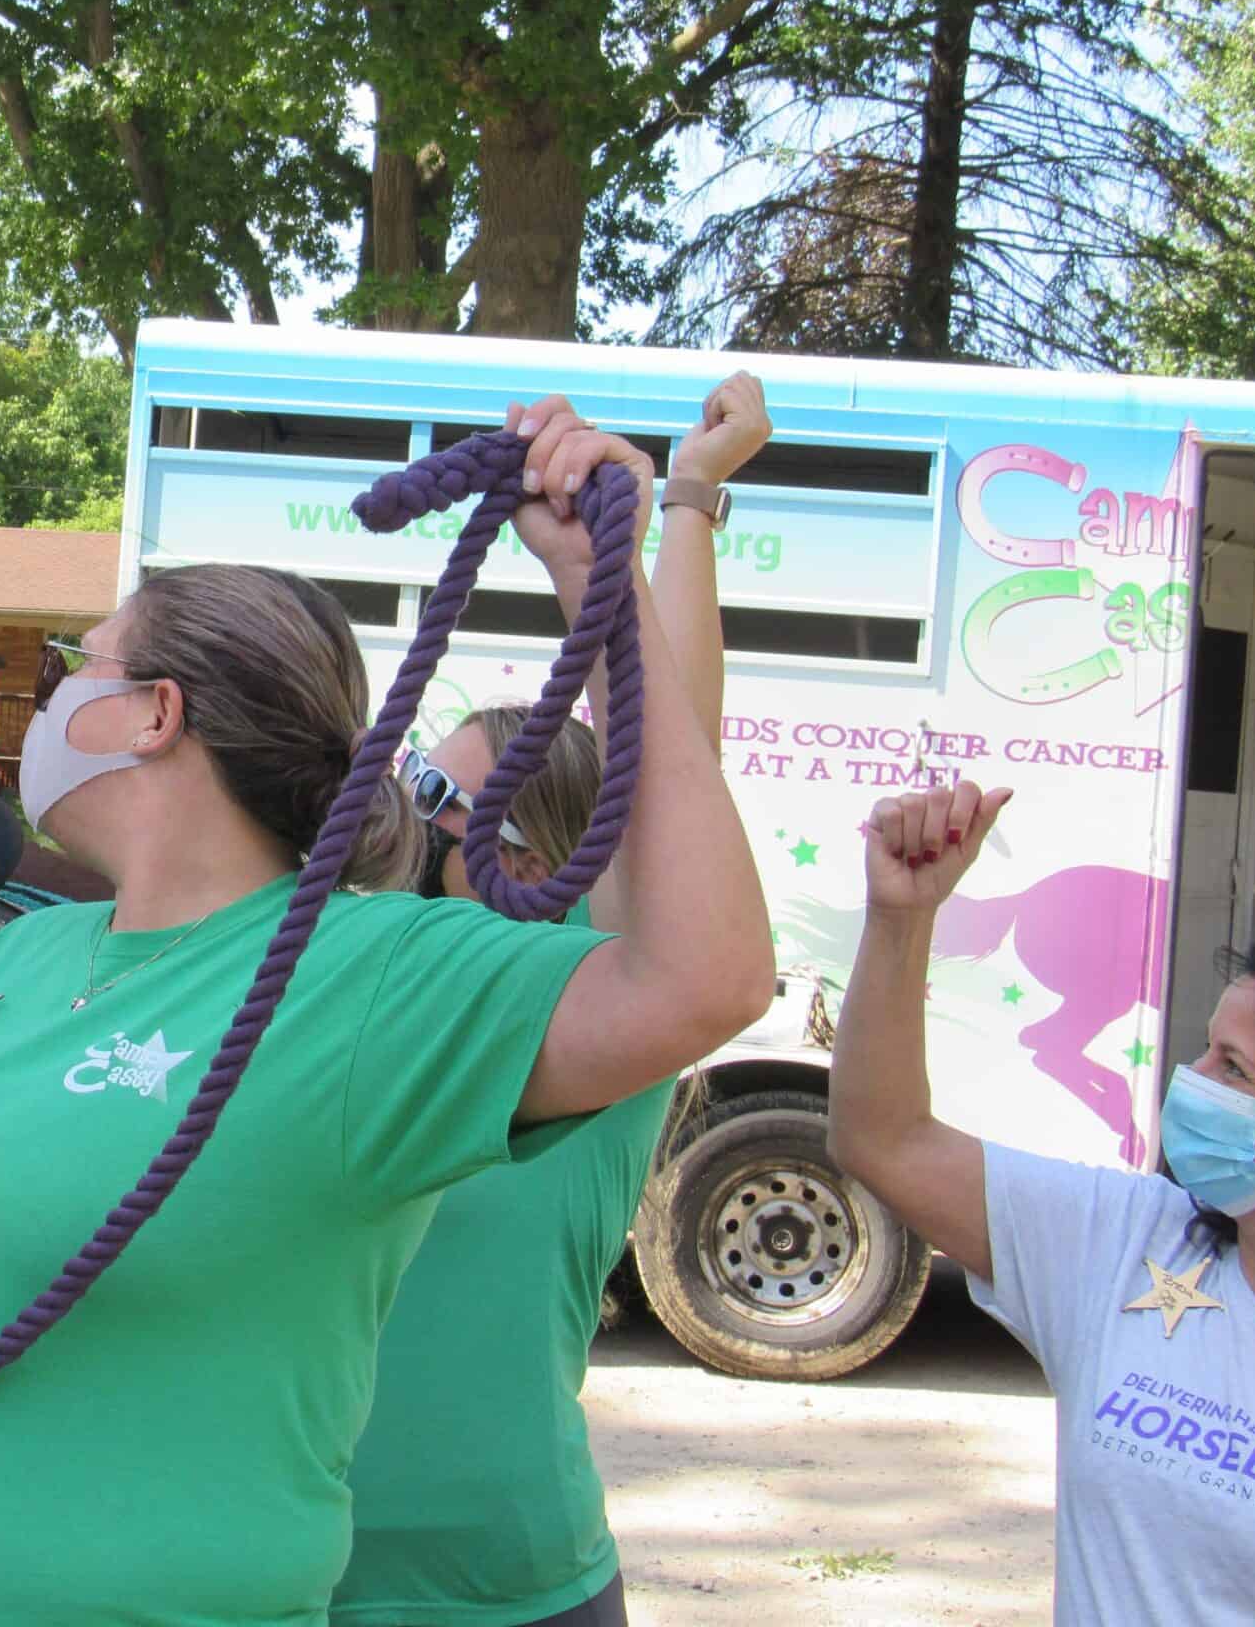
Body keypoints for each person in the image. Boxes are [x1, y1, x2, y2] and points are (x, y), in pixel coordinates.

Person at [0, 401, 776, 1626]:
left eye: (71, 669)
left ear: (154, 715)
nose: (45, 702)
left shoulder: (364, 972)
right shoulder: (16, 961)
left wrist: (597, 590)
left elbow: (700, 978)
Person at [339, 373, 772, 1627]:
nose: (410, 816)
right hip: (289, 1571)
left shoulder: (603, 1004)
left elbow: (676, 747)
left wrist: (676, 506)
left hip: (508, 1591)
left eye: (442, 796)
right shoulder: (374, 973)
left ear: (535, 857)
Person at [831, 781, 1255, 1623]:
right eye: (1208, 1052)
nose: (1194, 1082)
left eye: (1234, 1070)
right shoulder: (1130, 1241)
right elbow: (882, 1140)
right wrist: (901, 918)